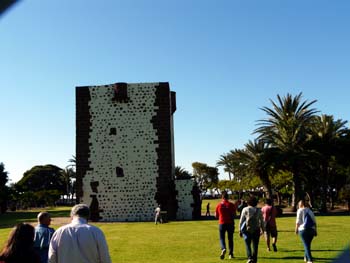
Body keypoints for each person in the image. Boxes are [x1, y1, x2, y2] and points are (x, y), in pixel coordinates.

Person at [239, 196, 264, 263]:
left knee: (247, 244)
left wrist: (240, 230)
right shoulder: (259, 210)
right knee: (255, 246)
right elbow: (261, 220)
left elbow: (241, 221)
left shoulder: (245, 209)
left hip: (247, 229)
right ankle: (255, 259)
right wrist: (263, 229)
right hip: (256, 229)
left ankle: (249, 257)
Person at [215, 190, 236, 259]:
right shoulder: (231, 205)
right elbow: (234, 214)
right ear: (228, 197)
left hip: (222, 223)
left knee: (222, 238)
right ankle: (231, 254)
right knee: (230, 239)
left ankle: (223, 248)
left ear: (222, 197)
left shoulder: (219, 205)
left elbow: (216, 215)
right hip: (230, 223)